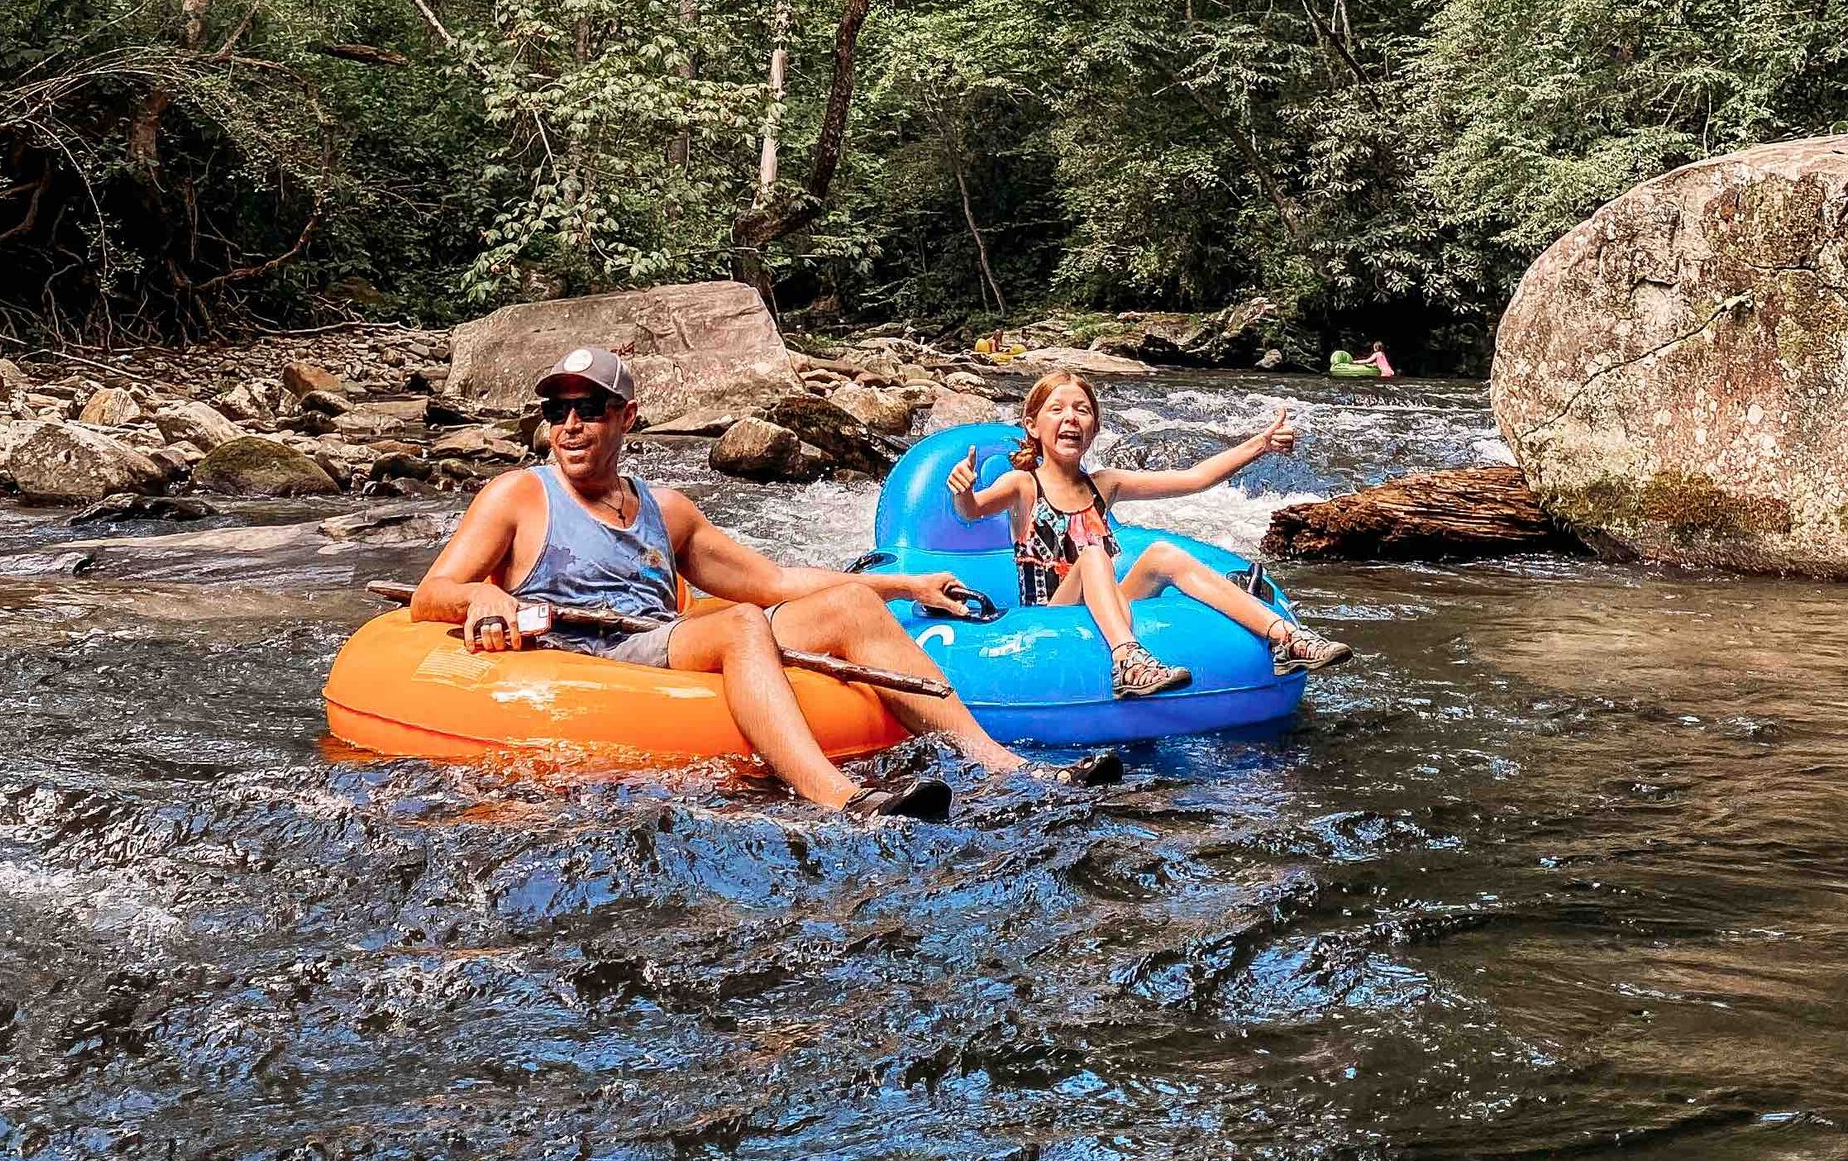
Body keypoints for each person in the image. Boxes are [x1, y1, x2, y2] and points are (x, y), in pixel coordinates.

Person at [406, 342, 1114, 822]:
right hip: (587, 653)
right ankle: (841, 801)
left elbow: (771, 579)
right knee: (739, 623)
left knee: (844, 598)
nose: (567, 424)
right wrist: (486, 595)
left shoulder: (668, 509)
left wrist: (906, 586)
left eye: (587, 408)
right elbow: (431, 594)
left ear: (626, 417)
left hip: (660, 643)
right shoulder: (517, 497)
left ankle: (1007, 767)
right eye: (555, 410)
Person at [948, 371, 1351, 698]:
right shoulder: (1023, 485)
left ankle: (1285, 637)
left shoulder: (1104, 485)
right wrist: (964, 490)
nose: (1071, 417)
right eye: (1057, 409)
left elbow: (1194, 479)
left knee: (1162, 554)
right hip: (1049, 616)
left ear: (1094, 429)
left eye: (1082, 410)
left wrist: (1259, 444)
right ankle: (1127, 661)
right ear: (1033, 426)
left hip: (1105, 606)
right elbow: (972, 510)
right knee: (1093, 556)